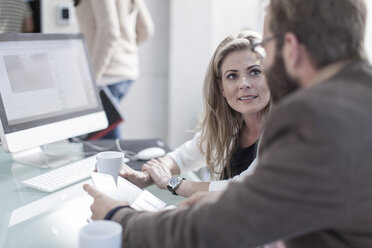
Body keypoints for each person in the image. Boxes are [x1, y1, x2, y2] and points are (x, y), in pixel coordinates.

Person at [84, 0, 372, 247]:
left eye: (266, 48)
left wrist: (117, 217)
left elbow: (219, 229)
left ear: (291, 48)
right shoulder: (358, 100)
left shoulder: (313, 121)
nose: (247, 82)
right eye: (232, 76)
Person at [120, 30, 270, 197]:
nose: (243, 83)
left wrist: (174, 183)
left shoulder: (287, 131)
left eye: (255, 72)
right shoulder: (230, 126)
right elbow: (182, 158)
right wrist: (145, 177)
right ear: (221, 88)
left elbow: (245, 187)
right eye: (232, 76)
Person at [74, 0, 154, 139]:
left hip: (106, 75)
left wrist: (91, 80)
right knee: (103, 139)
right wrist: (124, 51)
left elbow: (109, 34)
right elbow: (146, 30)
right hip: (126, 73)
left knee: (102, 144)